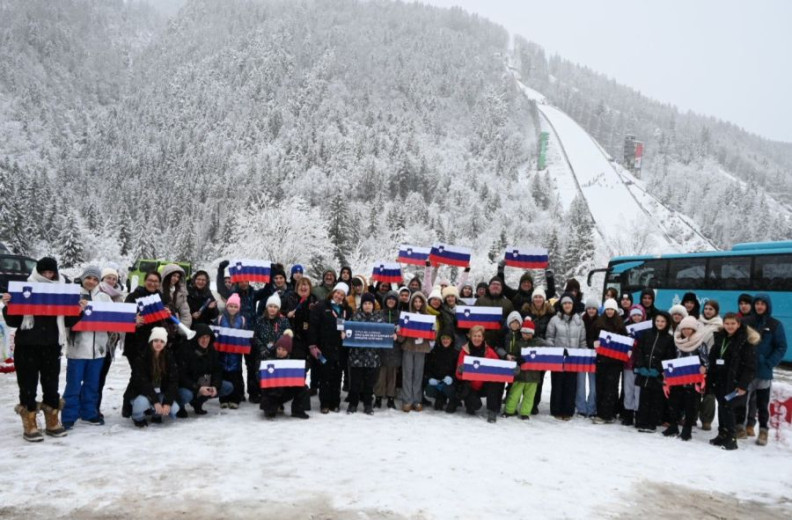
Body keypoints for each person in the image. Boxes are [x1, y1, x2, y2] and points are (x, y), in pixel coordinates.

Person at [4, 257, 85, 441]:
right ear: (38, 272)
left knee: (51, 385)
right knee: (28, 386)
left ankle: (52, 422)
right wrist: (8, 305)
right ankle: (30, 424)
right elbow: (13, 322)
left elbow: (69, 322)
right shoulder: (25, 288)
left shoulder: (63, 290)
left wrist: (78, 310)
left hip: (51, 346)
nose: (48, 276)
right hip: (27, 347)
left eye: (51, 273)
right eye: (44, 272)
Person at [62, 266, 110, 429]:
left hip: (98, 350)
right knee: (73, 385)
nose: (91, 281)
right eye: (89, 278)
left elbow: (113, 317)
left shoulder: (104, 297)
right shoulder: (73, 295)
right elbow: (66, 320)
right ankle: (69, 415)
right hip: (78, 349)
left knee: (92, 384)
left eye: (95, 279)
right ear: (83, 278)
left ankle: (89, 413)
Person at [216, 260, 269, 403]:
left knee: (251, 365)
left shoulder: (253, 293)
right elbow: (221, 288)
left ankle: (253, 392)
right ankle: (237, 393)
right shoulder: (233, 294)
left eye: (246, 280)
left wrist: (271, 273)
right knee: (236, 365)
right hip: (236, 335)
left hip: (250, 334)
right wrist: (221, 270)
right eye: (241, 280)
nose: (244, 283)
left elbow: (267, 290)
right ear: (237, 281)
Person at [739, 294, 788, 446]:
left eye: (763, 304)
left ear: (767, 306)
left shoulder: (775, 324)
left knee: (762, 403)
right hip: (746, 371)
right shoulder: (745, 322)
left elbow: (781, 346)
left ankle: (763, 431)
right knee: (741, 401)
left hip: (763, 371)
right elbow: (738, 343)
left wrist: (769, 363)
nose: (759, 306)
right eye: (757, 303)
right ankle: (740, 426)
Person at [708, 313, 758, 450]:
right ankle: (722, 434)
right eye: (727, 323)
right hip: (719, 379)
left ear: (738, 324)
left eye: (733, 324)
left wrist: (743, 385)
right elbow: (713, 358)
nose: (730, 326)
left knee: (728, 408)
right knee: (721, 406)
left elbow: (750, 367)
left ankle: (732, 438)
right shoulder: (720, 338)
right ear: (723, 324)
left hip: (734, 382)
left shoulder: (744, 341)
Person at [308, 282, 352, 413]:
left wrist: (347, 333)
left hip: (340, 348)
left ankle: (335, 402)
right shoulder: (321, 306)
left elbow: (351, 326)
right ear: (333, 292)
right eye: (337, 292)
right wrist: (312, 345)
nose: (339, 296)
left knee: (337, 375)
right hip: (323, 348)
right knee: (325, 375)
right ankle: (325, 403)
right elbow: (313, 327)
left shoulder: (347, 310)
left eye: (342, 294)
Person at [663, 316, 708, 441]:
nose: (687, 331)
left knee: (691, 406)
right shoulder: (676, 342)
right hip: (677, 379)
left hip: (692, 381)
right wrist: (667, 371)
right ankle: (673, 426)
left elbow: (705, 360)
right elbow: (670, 357)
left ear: (694, 330)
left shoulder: (700, 343)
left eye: (690, 328)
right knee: (674, 404)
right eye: (684, 328)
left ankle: (687, 429)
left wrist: (704, 367)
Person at [125, 327, 180, 428]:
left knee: (174, 408)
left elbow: (173, 381)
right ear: (151, 341)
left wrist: (167, 403)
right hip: (142, 393)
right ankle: (138, 417)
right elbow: (142, 382)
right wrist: (155, 402)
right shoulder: (142, 357)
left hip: (160, 392)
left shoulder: (169, 357)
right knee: (140, 403)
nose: (158, 344)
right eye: (155, 340)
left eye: (162, 341)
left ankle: (156, 414)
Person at [447, 325, 504, 423]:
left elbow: (498, 366)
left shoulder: (489, 352)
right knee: (474, 406)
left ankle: (492, 410)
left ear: (483, 337)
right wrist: (461, 371)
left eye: (479, 336)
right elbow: (458, 374)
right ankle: (465, 402)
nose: (477, 338)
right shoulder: (464, 351)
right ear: (470, 336)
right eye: (474, 336)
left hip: (484, 385)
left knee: (495, 382)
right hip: (470, 386)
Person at [176, 324, 232, 417]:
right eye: (202, 337)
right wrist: (197, 388)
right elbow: (181, 376)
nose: (205, 340)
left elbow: (217, 370)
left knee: (227, 387)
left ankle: (198, 403)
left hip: (204, 382)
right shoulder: (185, 350)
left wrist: (215, 386)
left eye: (207, 337)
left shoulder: (211, 350)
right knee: (186, 395)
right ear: (196, 338)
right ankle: (180, 407)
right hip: (187, 386)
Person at [633, 312, 675, 432]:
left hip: (657, 374)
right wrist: (641, 365)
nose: (659, 324)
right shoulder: (647, 334)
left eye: (662, 321)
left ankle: (652, 423)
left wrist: (660, 370)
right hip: (644, 371)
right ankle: (641, 421)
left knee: (655, 398)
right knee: (643, 397)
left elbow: (669, 356)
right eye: (657, 321)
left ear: (667, 323)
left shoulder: (669, 338)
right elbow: (640, 351)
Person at [546, 293, 586, 420]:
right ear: (561, 305)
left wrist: (582, 353)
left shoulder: (579, 321)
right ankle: (556, 409)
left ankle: (568, 411)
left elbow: (582, 340)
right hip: (558, 358)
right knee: (557, 384)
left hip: (573, 359)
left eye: (569, 303)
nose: (567, 305)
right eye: (565, 303)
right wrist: (554, 351)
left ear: (573, 305)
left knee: (570, 385)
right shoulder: (554, 320)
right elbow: (549, 337)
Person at [502, 317, 547, 420]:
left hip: (533, 375)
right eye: (524, 333)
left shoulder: (538, 343)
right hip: (520, 375)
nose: (526, 335)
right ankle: (509, 410)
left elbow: (547, 350)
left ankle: (525, 412)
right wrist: (517, 359)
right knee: (514, 394)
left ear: (532, 333)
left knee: (529, 396)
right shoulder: (518, 343)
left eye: (528, 333)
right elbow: (513, 355)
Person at [96, 267, 126, 418]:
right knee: (93, 377)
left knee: (101, 376)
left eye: (114, 279)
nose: (112, 281)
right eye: (108, 278)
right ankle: (88, 406)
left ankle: (95, 406)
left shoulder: (118, 296)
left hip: (110, 343)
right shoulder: (96, 293)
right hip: (96, 341)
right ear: (102, 279)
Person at [592, 298, 628, 424]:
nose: (609, 312)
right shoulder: (598, 323)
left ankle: (609, 413)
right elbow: (593, 338)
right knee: (600, 387)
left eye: (612, 309)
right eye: (607, 309)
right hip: (601, 360)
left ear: (615, 310)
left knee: (611, 388)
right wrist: (594, 344)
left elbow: (625, 341)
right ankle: (601, 412)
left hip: (615, 362)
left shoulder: (620, 324)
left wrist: (626, 350)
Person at [260, 331, 309, 419]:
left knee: (303, 387)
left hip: (286, 390)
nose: (280, 352)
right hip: (271, 390)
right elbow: (260, 376)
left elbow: (301, 378)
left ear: (288, 351)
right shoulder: (268, 359)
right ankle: (272, 407)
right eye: (279, 349)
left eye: (283, 350)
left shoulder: (292, 361)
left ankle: (297, 410)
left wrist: (303, 369)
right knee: (269, 411)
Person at [347, 293, 382, 414]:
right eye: (365, 303)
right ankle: (353, 404)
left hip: (372, 357)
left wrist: (391, 335)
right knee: (355, 383)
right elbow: (348, 331)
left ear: (373, 305)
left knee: (369, 384)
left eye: (369, 304)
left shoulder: (379, 318)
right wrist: (344, 334)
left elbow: (384, 334)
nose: (367, 306)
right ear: (362, 305)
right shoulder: (355, 317)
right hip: (356, 356)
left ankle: (368, 404)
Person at [397, 292, 431, 412]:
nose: (417, 304)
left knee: (418, 375)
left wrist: (433, 331)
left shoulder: (428, 317)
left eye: (420, 301)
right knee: (407, 374)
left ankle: (417, 400)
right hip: (408, 347)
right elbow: (401, 338)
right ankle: (407, 400)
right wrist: (399, 331)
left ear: (423, 303)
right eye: (415, 301)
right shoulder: (407, 316)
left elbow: (431, 336)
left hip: (421, 349)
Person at [523, 287, 554, 415]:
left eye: (540, 297)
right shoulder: (526, 312)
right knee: (527, 376)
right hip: (529, 347)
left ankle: (534, 403)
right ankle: (526, 402)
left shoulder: (550, 313)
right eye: (535, 297)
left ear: (544, 299)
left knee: (539, 378)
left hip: (543, 348)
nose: (538, 299)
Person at [216, 293, 246, 409]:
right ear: (227, 306)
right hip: (222, 355)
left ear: (238, 308)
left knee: (235, 378)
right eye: (230, 306)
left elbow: (244, 336)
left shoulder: (242, 320)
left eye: (235, 306)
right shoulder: (220, 319)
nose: (232, 308)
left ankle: (235, 399)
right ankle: (223, 398)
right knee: (223, 377)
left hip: (235, 355)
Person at [697, 300, 723, 431]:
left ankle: (706, 420)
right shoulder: (697, 322)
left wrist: (710, 363)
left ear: (716, 312)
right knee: (695, 391)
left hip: (711, 362)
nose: (707, 311)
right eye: (706, 308)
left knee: (709, 392)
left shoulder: (719, 326)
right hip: (696, 361)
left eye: (711, 309)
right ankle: (692, 415)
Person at [374, 291, 401, 409]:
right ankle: (378, 397)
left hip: (395, 349)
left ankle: (391, 398)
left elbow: (404, 331)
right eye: (389, 299)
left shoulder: (400, 315)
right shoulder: (379, 314)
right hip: (381, 349)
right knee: (380, 375)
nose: (391, 301)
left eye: (393, 299)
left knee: (392, 375)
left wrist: (398, 336)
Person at [622, 305, 647, 426]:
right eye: (634, 315)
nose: (636, 317)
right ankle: (628, 414)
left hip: (641, 365)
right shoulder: (625, 328)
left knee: (638, 390)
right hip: (628, 364)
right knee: (628, 390)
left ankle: (638, 414)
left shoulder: (647, 329)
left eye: (639, 315)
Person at [475, 277, 514, 348]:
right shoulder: (480, 301)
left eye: (498, 284)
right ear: (489, 287)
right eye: (493, 284)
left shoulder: (508, 303)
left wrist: (504, 323)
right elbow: (474, 320)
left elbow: (513, 323)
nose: (495, 286)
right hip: (483, 341)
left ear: (502, 288)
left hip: (501, 342)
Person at [577, 298, 599, 418]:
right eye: (589, 308)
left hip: (594, 356)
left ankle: (591, 407)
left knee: (593, 384)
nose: (591, 310)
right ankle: (581, 407)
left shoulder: (600, 321)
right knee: (580, 383)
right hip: (582, 354)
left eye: (593, 308)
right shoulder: (580, 321)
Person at [424, 333, 458, 410]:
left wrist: (452, 378)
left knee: (448, 388)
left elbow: (458, 371)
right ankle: (440, 397)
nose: (445, 341)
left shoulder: (456, 353)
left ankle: (453, 400)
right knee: (429, 389)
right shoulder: (434, 352)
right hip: (437, 382)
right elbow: (428, 368)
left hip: (450, 384)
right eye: (443, 338)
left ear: (452, 340)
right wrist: (430, 378)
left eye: (448, 339)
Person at [160, 264, 193, 335]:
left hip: (174, 327)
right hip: (159, 326)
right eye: (174, 275)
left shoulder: (180, 293)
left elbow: (185, 313)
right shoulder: (158, 290)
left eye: (178, 277)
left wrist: (182, 329)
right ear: (167, 275)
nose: (176, 279)